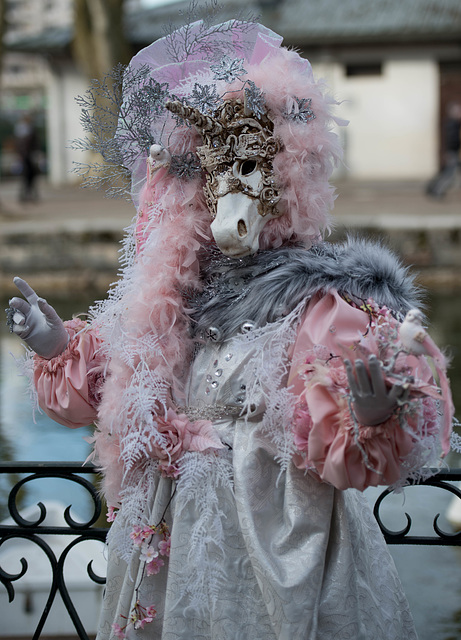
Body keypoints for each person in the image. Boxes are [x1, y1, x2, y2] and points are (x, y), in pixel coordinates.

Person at [6, 20, 454, 640]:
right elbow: (113, 387)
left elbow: (348, 435)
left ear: (285, 186)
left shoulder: (317, 304)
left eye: (251, 177)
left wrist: (368, 419)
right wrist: (57, 347)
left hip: (280, 526)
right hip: (179, 522)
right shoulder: (168, 300)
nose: (228, 200)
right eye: (210, 181)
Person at [426, 102, 461, 199]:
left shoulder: (454, 124)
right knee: (448, 174)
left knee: (448, 173)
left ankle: (434, 190)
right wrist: (449, 153)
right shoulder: (452, 125)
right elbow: (452, 141)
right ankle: (436, 191)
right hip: (452, 153)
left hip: (453, 152)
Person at [14, 112, 39, 202]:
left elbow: (34, 143)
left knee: (31, 175)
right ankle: (26, 195)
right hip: (25, 156)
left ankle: (29, 194)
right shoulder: (22, 130)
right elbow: (21, 145)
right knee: (27, 175)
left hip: (29, 155)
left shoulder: (30, 130)